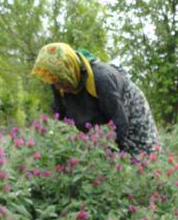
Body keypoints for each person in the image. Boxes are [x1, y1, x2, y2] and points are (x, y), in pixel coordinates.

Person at [31, 42, 160, 154]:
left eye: (62, 80)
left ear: (69, 70)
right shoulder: (58, 82)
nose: (59, 85)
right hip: (100, 110)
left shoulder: (101, 77)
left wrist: (106, 152)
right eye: (55, 81)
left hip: (127, 106)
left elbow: (120, 122)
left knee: (140, 154)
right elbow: (61, 119)